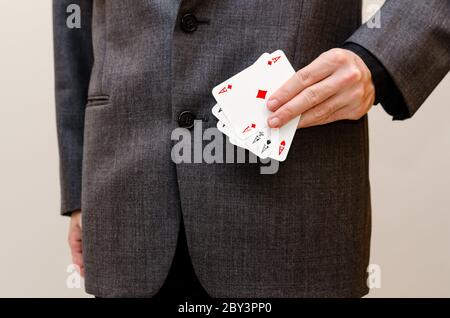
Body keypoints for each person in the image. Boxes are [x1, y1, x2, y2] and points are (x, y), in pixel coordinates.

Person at [54, 0, 450, 298]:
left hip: (294, 205)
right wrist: (79, 192)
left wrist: (378, 59)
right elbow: (71, 19)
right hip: (129, 199)